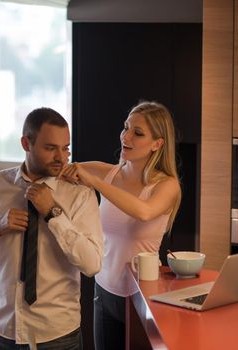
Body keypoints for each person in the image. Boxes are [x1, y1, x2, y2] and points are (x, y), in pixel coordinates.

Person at [0, 107, 103, 350]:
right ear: (26, 143)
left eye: (65, 148)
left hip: (56, 336)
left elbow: (92, 264)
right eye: (50, 148)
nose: (61, 157)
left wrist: (53, 214)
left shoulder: (80, 195)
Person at [59, 101, 181, 350]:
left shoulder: (166, 186)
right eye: (126, 128)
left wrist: (95, 182)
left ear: (157, 144)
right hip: (103, 291)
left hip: (143, 295)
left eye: (138, 133)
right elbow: (62, 169)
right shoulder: (110, 173)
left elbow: (144, 212)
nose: (126, 136)